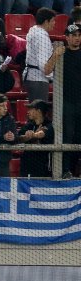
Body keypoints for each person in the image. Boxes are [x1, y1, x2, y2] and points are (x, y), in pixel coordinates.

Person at [24, 7, 61, 102]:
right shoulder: (42, 37)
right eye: (52, 21)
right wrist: (56, 55)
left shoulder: (34, 31)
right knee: (38, 113)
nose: (54, 23)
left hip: (31, 78)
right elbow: (45, 68)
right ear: (46, 21)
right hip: (38, 80)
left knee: (34, 112)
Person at [61, 24, 81, 177]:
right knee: (68, 135)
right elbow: (46, 70)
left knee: (79, 136)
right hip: (67, 102)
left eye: (79, 35)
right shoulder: (61, 53)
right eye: (74, 35)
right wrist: (55, 56)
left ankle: (75, 169)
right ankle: (65, 169)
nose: (77, 38)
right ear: (67, 37)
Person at [18, 99, 54, 177]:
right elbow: (19, 137)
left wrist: (33, 135)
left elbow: (42, 133)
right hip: (27, 165)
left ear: (39, 111)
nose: (28, 112)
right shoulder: (30, 125)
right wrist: (27, 137)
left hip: (42, 166)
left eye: (31, 109)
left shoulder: (49, 124)